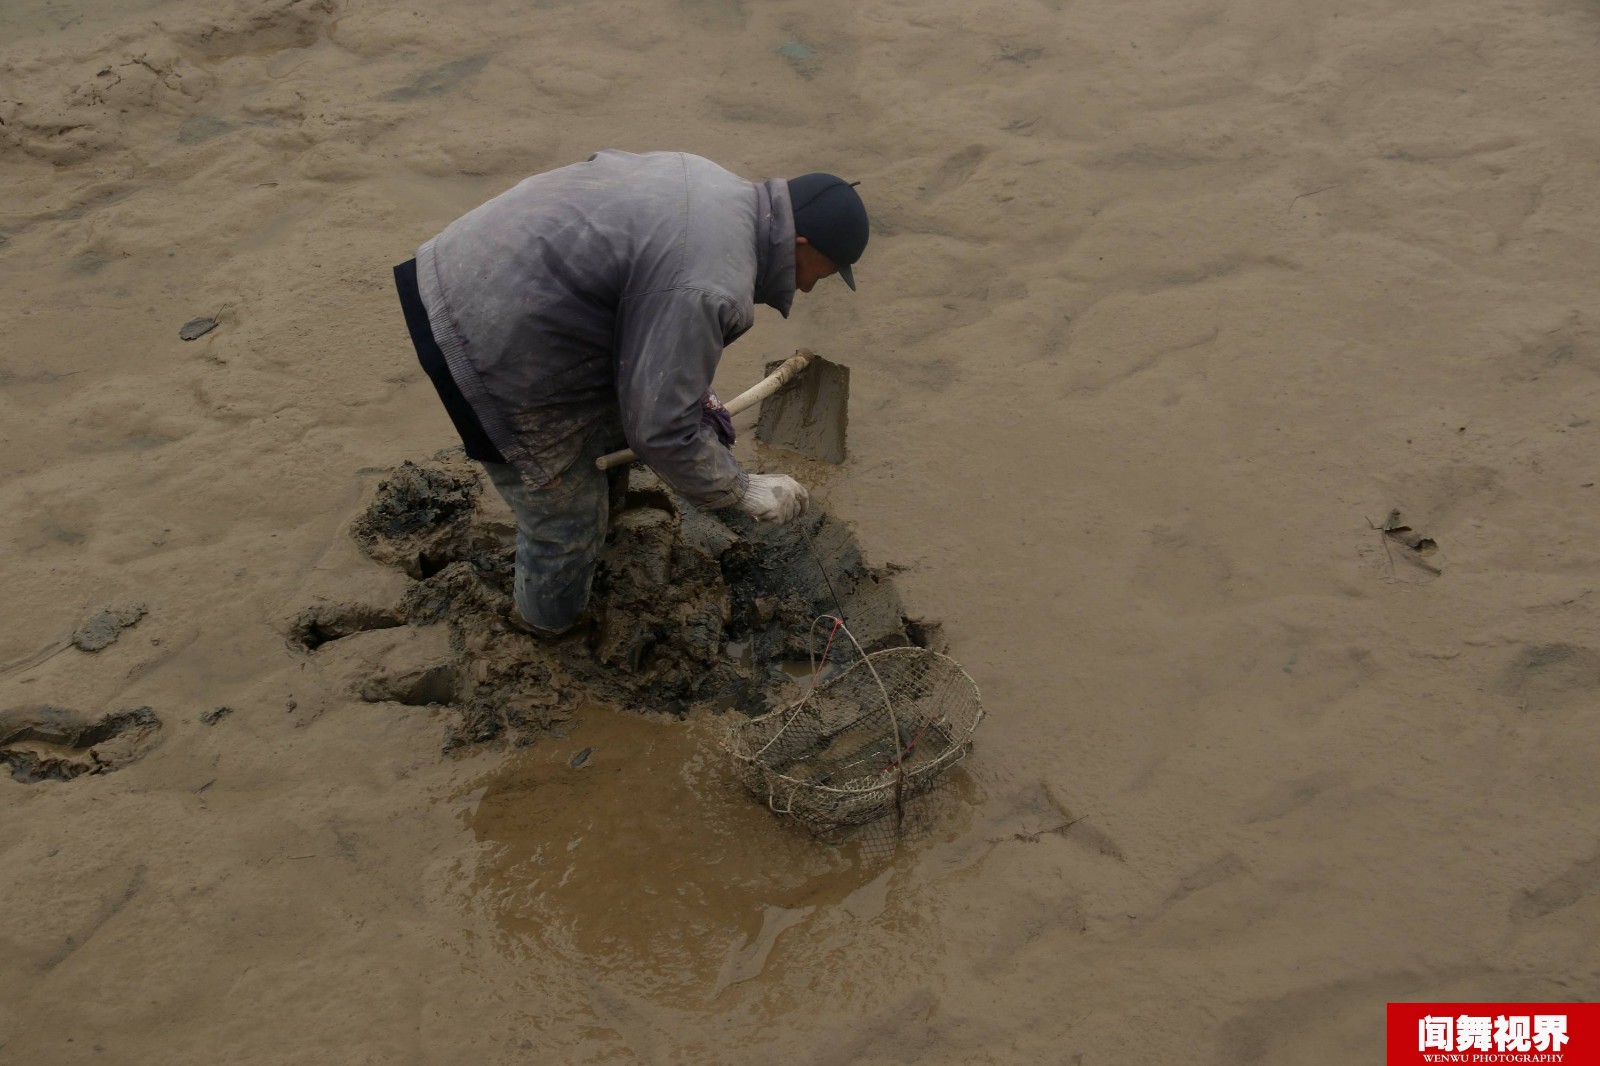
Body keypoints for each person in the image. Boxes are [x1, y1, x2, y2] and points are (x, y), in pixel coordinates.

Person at [392, 150, 870, 636]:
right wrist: (741, 488)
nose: (809, 289)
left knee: (622, 428)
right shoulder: (712, 285)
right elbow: (659, 430)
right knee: (565, 524)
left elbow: (647, 292)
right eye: (822, 273)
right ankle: (545, 632)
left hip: (476, 265)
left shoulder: (715, 185)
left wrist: (690, 389)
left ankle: (599, 542)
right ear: (801, 243)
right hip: (481, 333)